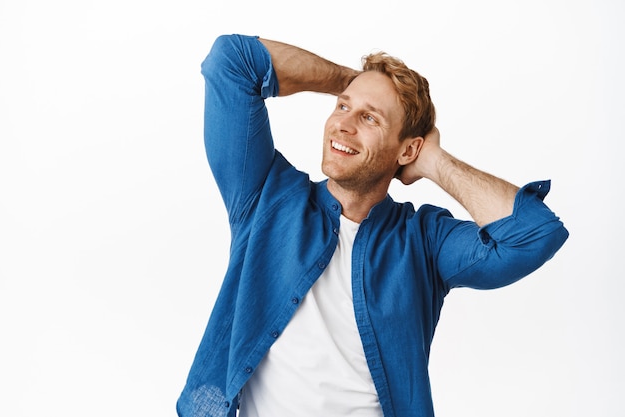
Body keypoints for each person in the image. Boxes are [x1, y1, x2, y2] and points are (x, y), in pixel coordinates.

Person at [176, 34, 569, 417]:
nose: (343, 126)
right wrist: (348, 81)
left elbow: (534, 234)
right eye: (342, 107)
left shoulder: (425, 240)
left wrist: (433, 160)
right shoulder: (267, 197)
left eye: (368, 117)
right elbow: (230, 61)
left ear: (407, 149)